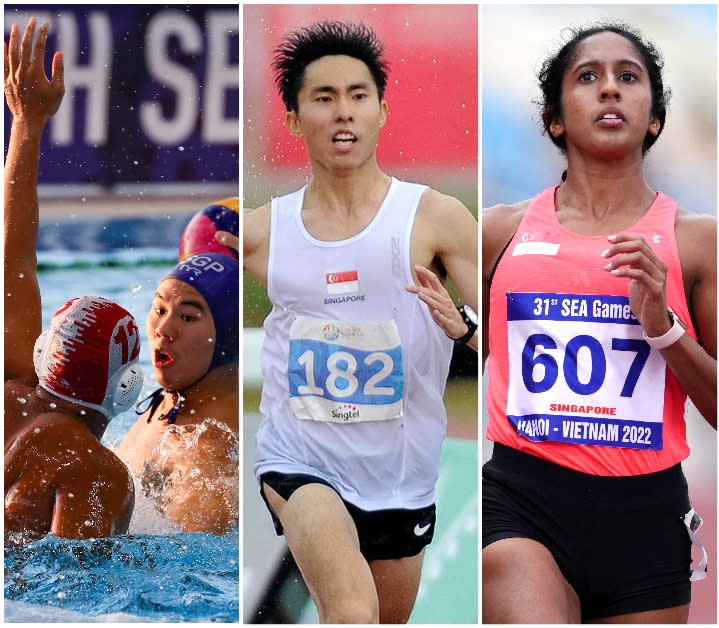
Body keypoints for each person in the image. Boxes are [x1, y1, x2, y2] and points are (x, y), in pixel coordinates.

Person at [240, 20, 479, 624]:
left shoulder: (436, 219)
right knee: (351, 613)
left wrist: (466, 328)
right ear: (294, 120)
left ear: (381, 111)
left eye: (357, 95)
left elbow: (516, 333)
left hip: (400, 480)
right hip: (299, 462)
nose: (342, 112)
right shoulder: (260, 233)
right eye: (323, 98)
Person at [480, 22, 717, 624]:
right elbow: (460, 361)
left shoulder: (697, 242)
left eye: (628, 77)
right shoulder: (498, 232)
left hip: (646, 520)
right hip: (521, 502)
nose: (610, 89)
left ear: (654, 118)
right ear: (556, 119)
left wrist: (662, 326)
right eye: (588, 77)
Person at [3, 18, 138, 545]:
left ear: (43, 358)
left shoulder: (10, 391)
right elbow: (74, 589)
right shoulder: (94, 468)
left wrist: (25, 124)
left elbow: (14, 260)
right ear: (126, 388)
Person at [116, 250, 240, 535]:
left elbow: (180, 565)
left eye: (187, 317)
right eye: (159, 310)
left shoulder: (207, 452)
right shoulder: (169, 400)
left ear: (227, 335)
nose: (163, 329)